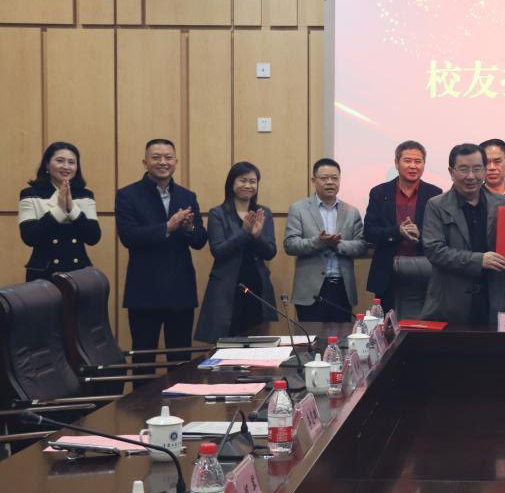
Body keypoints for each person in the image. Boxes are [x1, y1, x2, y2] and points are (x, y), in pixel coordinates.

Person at [115, 139, 207, 362]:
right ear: (145, 162)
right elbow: (129, 237)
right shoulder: (127, 195)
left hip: (180, 290)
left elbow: (200, 241)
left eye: (168, 157)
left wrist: (189, 228)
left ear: (176, 161)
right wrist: (167, 227)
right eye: (156, 157)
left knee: (180, 360)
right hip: (144, 290)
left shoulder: (187, 196)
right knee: (143, 359)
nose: (163, 162)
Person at [421, 143, 505, 323]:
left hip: (493, 299)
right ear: (451, 172)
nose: (471, 176)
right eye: (463, 169)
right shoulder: (436, 205)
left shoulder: (503, 203)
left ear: (484, 171)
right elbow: (434, 250)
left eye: (477, 169)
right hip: (452, 302)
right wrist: (479, 260)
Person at [195, 162, 277, 343]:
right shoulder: (218, 214)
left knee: (258, 342)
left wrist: (257, 236)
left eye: (252, 181)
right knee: (227, 344)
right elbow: (218, 251)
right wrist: (244, 233)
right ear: (231, 183)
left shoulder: (263, 213)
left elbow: (270, 252)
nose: (247, 185)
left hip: (256, 287)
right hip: (227, 288)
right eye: (242, 180)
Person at [284, 158, 367, 322]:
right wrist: (319, 242)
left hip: (342, 289)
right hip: (310, 290)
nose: (330, 182)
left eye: (334, 178)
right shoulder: (299, 209)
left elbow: (362, 245)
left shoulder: (351, 211)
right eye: (324, 178)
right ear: (313, 180)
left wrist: (337, 245)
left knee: (341, 336)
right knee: (311, 336)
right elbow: (290, 244)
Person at [364, 140, 443, 312]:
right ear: (396, 163)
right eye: (407, 161)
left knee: (424, 324)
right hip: (387, 272)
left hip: (425, 270)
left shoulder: (435, 194)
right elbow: (369, 232)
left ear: (424, 164)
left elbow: (442, 234)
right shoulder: (379, 192)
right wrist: (398, 231)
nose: (413, 166)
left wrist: (420, 234)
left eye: (418, 161)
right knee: (388, 323)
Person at [19, 141, 101, 281]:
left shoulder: (86, 195)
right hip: (43, 274)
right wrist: (59, 210)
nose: (66, 167)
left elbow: (93, 237)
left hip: (79, 273)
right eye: (60, 161)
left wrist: (72, 209)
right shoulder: (30, 194)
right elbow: (29, 237)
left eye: (71, 162)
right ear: (47, 165)